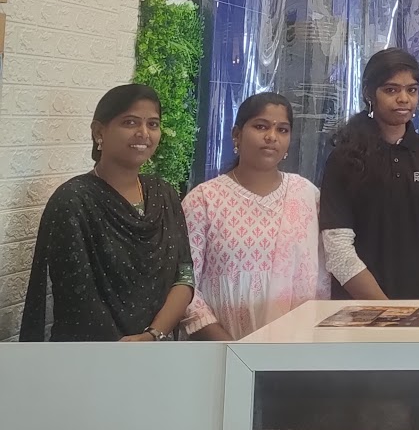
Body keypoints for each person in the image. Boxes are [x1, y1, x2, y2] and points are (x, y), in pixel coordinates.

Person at [20, 84, 194, 342]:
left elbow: (184, 274)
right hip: (91, 354)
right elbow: (79, 299)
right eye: (130, 122)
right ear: (99, 131)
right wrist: (123, 350)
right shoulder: (73, 201)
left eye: (153, 124)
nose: (143, 133)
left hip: (157, 349)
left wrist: (152, 335)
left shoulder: (163, 195)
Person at [319, 48, 419, 300]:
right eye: (391, 90)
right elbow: (338, 248)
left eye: (412, 90)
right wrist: (386, 310)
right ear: (369, 93)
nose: (404, 99)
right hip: (360, 310)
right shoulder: (344, 159)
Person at [182, 93, 328, 340]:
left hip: (297, 347)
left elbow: (323, 279)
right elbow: (185, 285)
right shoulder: (203, 200)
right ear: (236, 135)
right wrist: (230, 348)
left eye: (282, 130)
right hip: (220, 348)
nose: (271, 137)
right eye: (261, 127)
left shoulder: (306, 195)